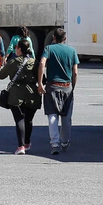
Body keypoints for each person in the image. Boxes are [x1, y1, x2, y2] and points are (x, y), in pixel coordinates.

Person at [38, 27, 79, 155]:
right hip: (67, 86)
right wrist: (72, 86)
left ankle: (55, 143)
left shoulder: (49, 49)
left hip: (52, 86)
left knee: (52, 115)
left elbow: (42, 63)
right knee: (66, 116)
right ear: (65, 39)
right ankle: (65, 141)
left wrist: (40, 83)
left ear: (53, 38)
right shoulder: (72, 51)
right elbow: (75, 71)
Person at [0, 37, 42, 153]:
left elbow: (1, 75)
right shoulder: (34, 62)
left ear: (19, 49)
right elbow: (42, 78)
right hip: (32, 94)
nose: (15, 50)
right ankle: (27, 142)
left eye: (16, 47)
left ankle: (21, 146)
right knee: (29, 119)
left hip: (16, 94)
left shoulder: (13, 62)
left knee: (19, 119)